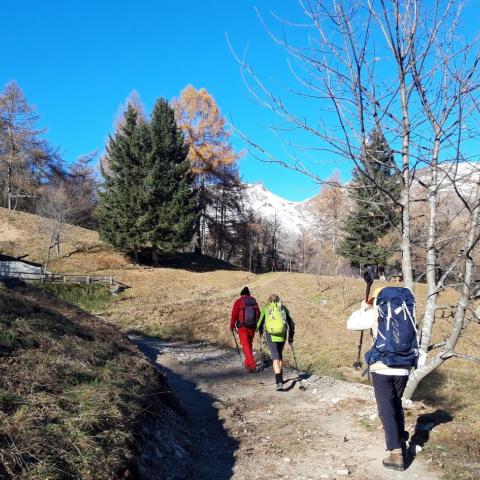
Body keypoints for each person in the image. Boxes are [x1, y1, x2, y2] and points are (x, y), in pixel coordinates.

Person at [362, 286, 418, 472]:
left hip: (381, 367)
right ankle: (401, 440)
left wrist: (363, 308)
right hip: (403, 367)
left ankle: (395, 453)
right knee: (395, 403)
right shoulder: (405, 313)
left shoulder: (377, 313)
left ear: (377, 300)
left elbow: (351, 324)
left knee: (386, 408)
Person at [257, 293, 295, 391]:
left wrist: (260, 332)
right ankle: (280, 378)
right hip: (282, 335)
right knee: (279, 355)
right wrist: (290, 337)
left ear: (269, 300)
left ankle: (279, 382)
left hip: (271, 335)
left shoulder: (266, 309)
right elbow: (291, 323)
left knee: (275, 357)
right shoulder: (283, 308)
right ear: (278, 300)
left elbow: (259, 324)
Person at [230, 287, 260, 373]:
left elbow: (234, 315)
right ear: (249, 294)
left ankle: (252, 366)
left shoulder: (238, 302)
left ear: (241, 294)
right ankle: (247, 364)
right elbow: (258, 314)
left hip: (242, 327)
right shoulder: (254, 301)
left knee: (245, 346)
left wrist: (232, 326)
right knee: (249, 345)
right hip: (252, 327)